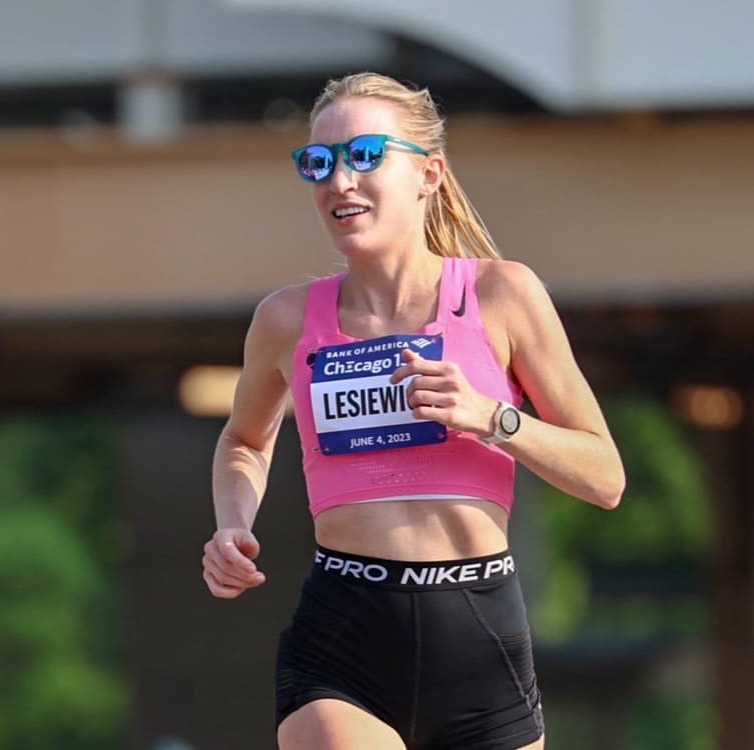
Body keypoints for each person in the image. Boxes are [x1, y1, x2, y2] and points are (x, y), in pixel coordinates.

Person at [201, 72, 625, 750]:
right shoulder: (285, 320)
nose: (338, 181)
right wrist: (231, 524)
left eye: (364, 155)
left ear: (428, 173)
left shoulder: (502, 295)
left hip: (480, 639)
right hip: (343, 635)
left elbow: (604, 478)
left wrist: (492, 416)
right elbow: (244, 440)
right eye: (318, 163)